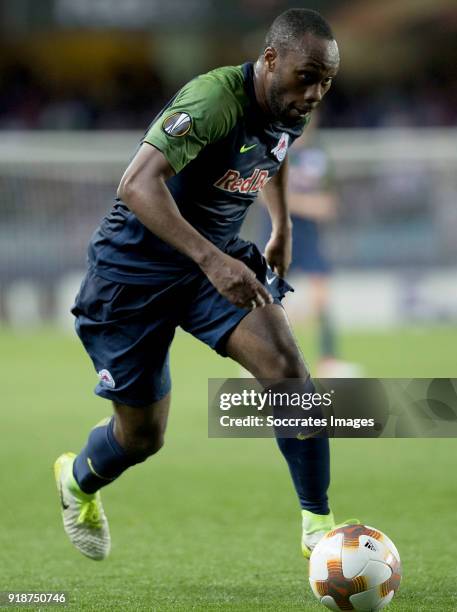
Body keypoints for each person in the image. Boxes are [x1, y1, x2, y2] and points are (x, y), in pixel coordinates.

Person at [54, 8, 355, 562]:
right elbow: (136, 186)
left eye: (326, 81)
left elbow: (277, 150)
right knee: (143, 437)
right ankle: (77, 482)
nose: (315, 93)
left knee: (288, 373)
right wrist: (212, 260)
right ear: (270, 60)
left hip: (211, 265)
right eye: (307, 77)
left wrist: (281, 224)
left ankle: (320, 531)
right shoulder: (214, 99)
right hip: (132, 274)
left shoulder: (291, 102)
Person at [261, 116, 362, 377]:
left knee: (322, 298)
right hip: (278, 236)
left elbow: (328, 202)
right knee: (271, 303)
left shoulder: (318, 154)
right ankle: (260, 363)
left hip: (308, 236)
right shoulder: (274, 148)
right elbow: (263, 195)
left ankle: (328, 361)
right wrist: (306, 205)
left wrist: (302, 203)